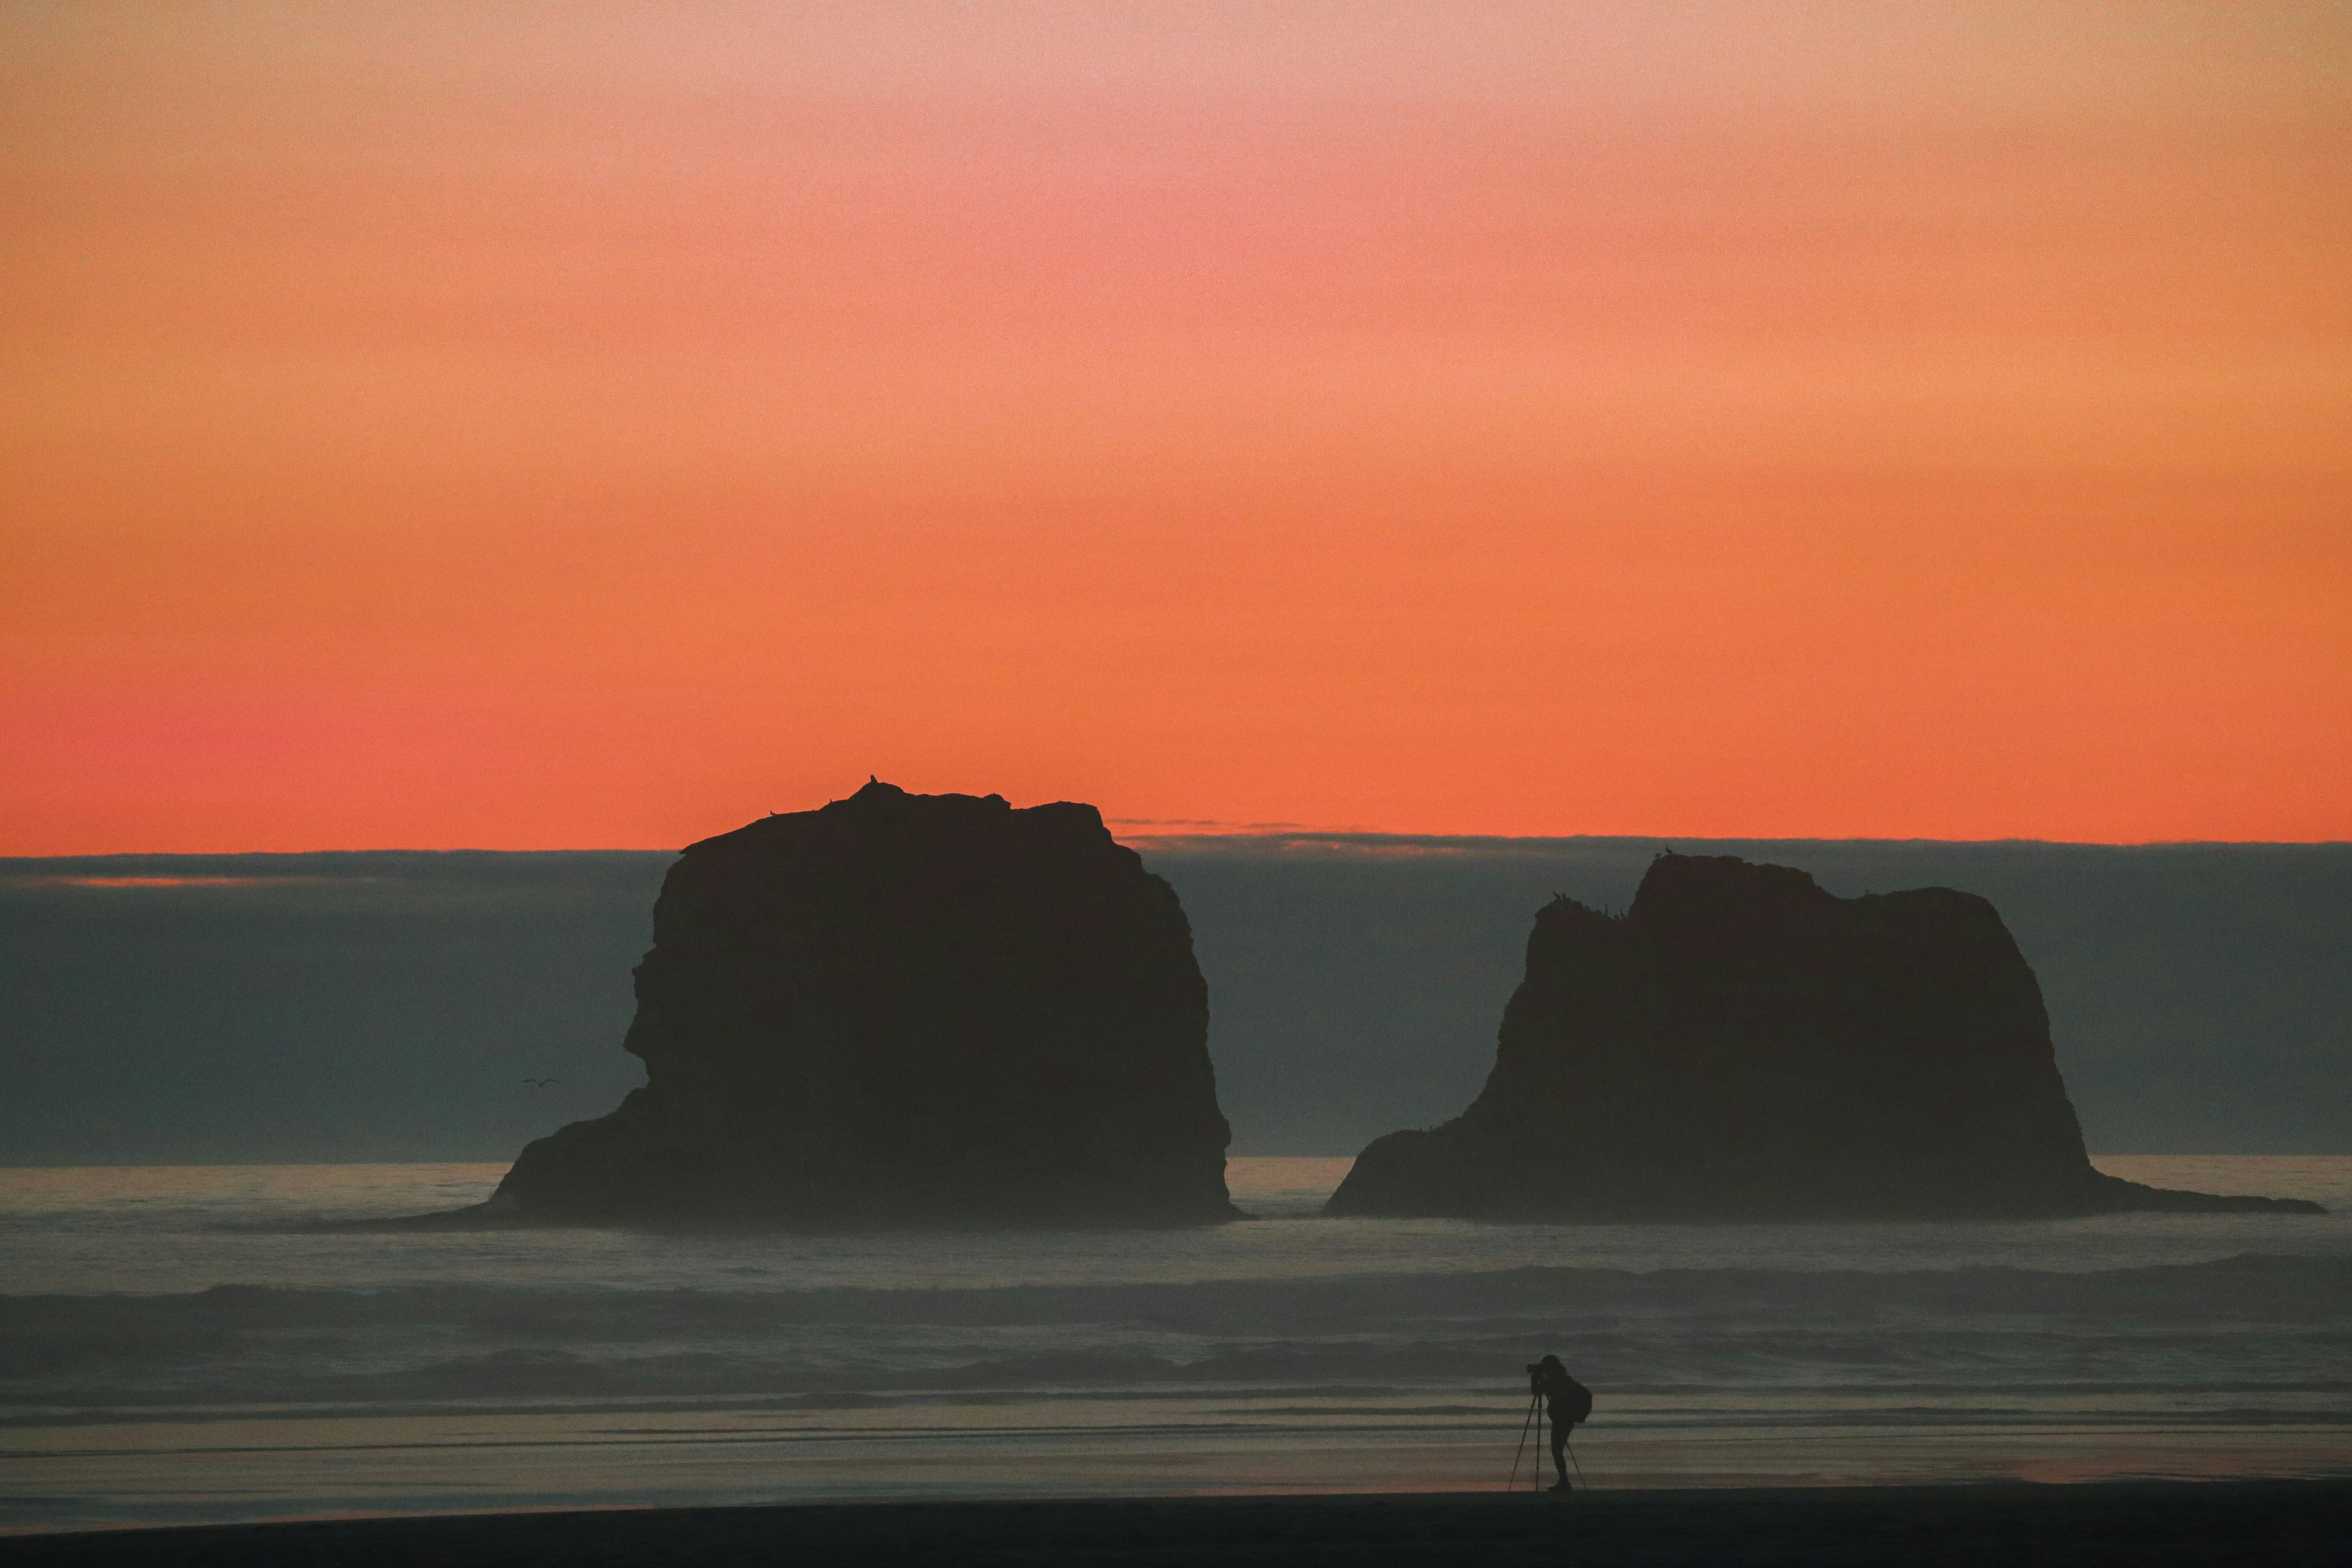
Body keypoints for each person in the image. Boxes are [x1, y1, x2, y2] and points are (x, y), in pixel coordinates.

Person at [1528, 1354, 1592, 1492]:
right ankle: (1564, 1481)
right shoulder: (1564, 1379)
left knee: (1556, 1450)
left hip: (1563, 1419)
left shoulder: (1557, 1380)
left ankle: (1564, 1482)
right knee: (1558, 1450)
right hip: (1566, 1418)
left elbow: (1536, 1391)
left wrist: (1536, 1377)